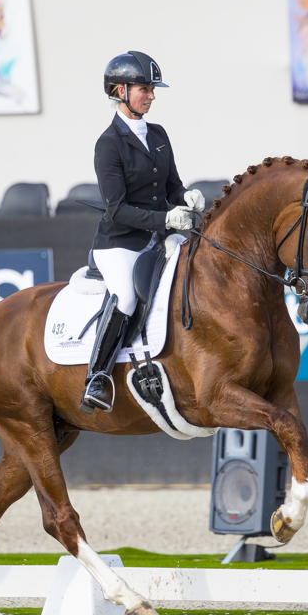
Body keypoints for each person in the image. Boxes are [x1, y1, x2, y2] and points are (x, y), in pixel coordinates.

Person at [80, 51, 205, 414]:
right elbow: (117, 209)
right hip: (120, 242)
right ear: (121, 91)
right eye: (144, 89)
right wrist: (166, 220)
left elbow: (171, 188)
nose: (151, 95)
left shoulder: (159, 134)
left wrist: (186, 196)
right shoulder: (108, 144)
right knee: (126, 297)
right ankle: (97, 377)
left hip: (157, 237)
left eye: (153, 89)